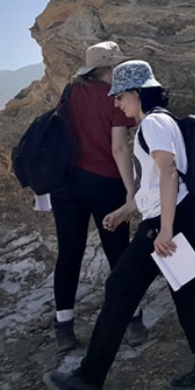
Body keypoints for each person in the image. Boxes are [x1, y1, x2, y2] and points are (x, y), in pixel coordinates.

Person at [43, 60, 195, 390]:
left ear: (137, 92)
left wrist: (164, 229)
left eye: (120, 95)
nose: (116, 103)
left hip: (169, 220)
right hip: (183, 212)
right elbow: (156, 182)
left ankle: (88, 378)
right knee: (186, 289)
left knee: (119, 289)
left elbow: (169, 173)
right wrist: (126, 209)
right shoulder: (163, 121)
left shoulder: (152, 124)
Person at [51, 41, 148, 352]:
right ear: (110, 67)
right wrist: (131, 191)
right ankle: (133, 321)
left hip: (66, 184)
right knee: (119, 254)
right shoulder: (113, 97)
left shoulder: (70, 92)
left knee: (69, 253)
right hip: (105, 183)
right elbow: (118, 148)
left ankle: (64, 327)